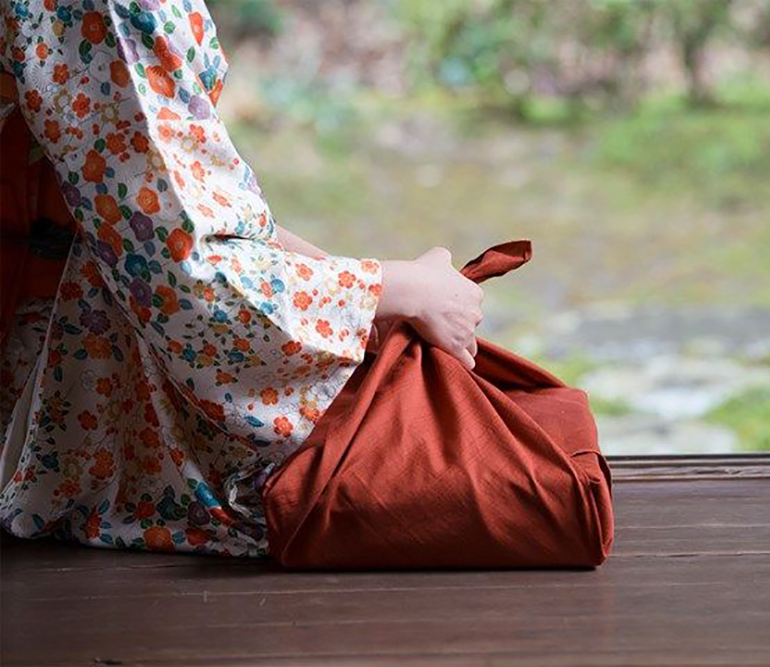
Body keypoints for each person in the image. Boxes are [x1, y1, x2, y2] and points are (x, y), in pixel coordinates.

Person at [0, 0, 484, 556]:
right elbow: (181, 275)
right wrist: (396, 288)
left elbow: (193, 208)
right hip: (64, 403)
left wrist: (363, 297)